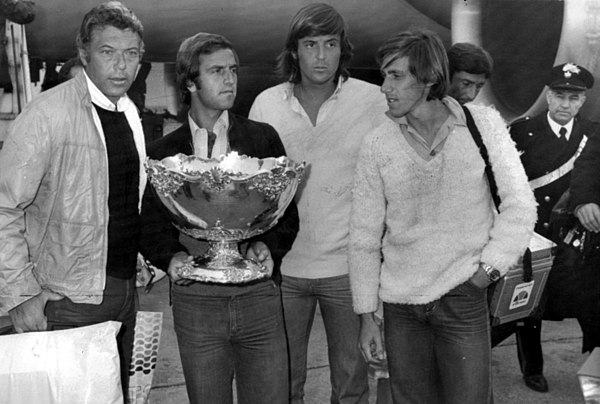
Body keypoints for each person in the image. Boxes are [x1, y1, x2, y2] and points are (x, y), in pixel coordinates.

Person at [349, 30, 536, 404]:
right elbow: (363, 236)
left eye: (397, 76)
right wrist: (367, 315)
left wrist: (487, 272)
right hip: (401, 307)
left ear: (430, 77)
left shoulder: (483, 125)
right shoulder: (377, 144)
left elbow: (520, 204)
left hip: (464, 296)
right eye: (384, 75)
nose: (385, 87)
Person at [141, 32, 298, 404]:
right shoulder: (164, 152)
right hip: (197, 300)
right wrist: (171, 257)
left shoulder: (262, 139)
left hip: (258, 294)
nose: (229, 79)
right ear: (191, 82)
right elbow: (150, 223)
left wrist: (266, 245)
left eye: (233, 70)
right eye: (216, 71)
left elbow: (287, 215)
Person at [0, 1, 146, 395]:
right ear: (84, 53)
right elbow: (3, 206)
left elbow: (123, 201)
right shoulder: (47, 113)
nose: (121, 66)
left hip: (122, 292)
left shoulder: (130, 113)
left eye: (131, 54)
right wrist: (20, 294)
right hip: (64, 299)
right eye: (108, 52)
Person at [249, 3, 388, 403]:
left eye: (331, 44)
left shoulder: (373, 101)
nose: (322, 56)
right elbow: (257, 192)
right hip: (283, 269)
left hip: (349, 271)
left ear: (343, 48)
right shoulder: (267, 105)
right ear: (294, 50)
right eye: (311, 44)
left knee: (351, 386)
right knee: (282, 385)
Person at [509, 62, 596, 392]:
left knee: (589, 309)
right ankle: (533, 368)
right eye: (559, 96)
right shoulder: (522, 131)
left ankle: (594, 381)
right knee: (528, 305)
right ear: (547, 96)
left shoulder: (592, 134)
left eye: (573, 99)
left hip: (576, 237)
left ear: (583, 101)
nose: (565, 105)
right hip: (535, 231)